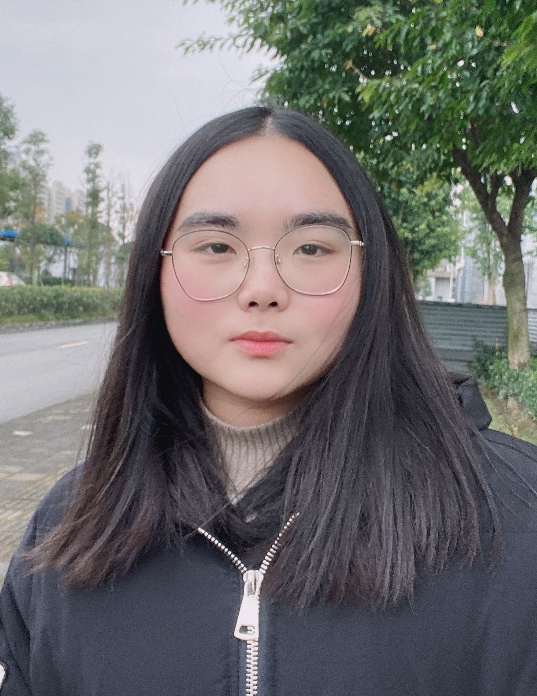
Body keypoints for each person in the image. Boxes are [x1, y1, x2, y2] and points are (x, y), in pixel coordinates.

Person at [1, 106, 537, 696]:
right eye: (215, 246)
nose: (262, 290)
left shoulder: (510, 516)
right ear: (155, 272)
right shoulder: (71, 524)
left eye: (311, 248)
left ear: (373, 273)